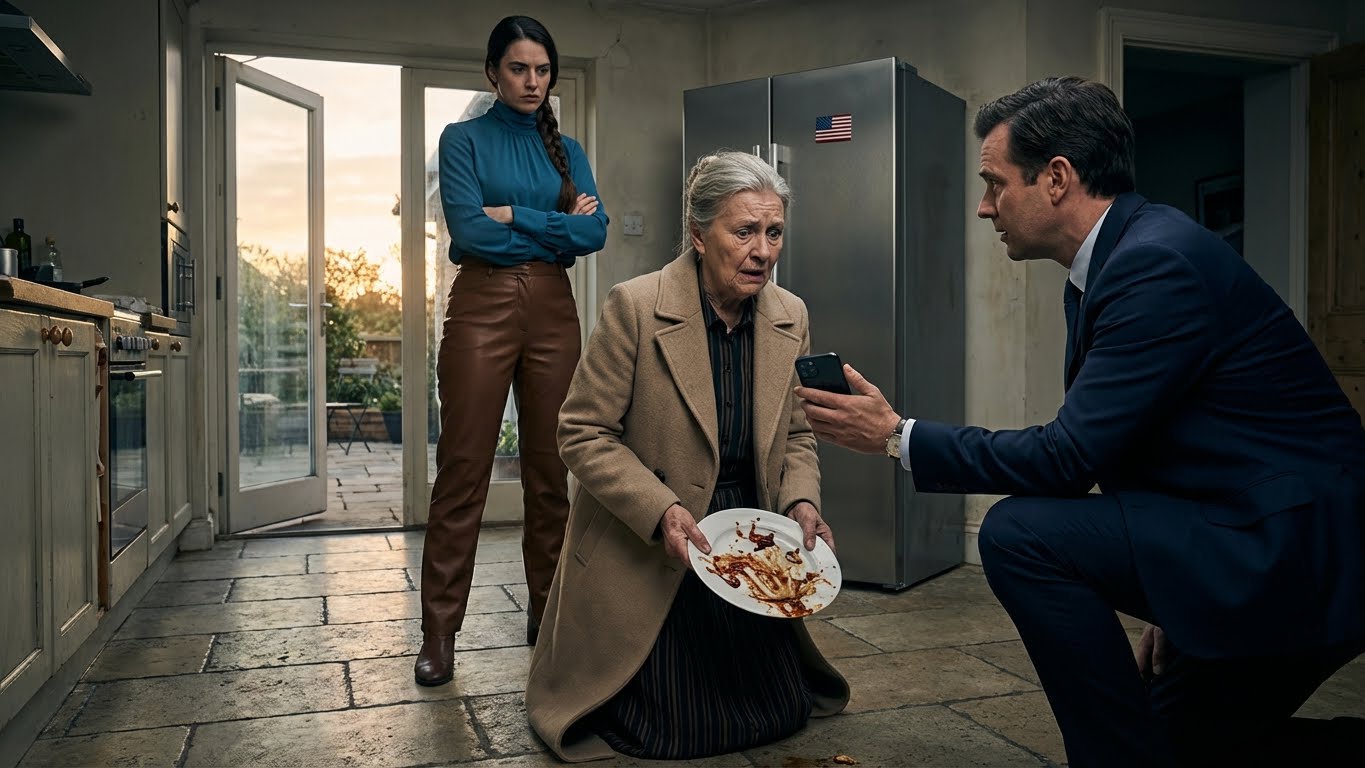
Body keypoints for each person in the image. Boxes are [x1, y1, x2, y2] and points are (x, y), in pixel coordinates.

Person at [797, 76, 1365, 765]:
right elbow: (1146, 443)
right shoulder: (1118, 260)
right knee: (1174, 742)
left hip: (1295, 549)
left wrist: (896, 436)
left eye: (995, 183)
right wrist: (1171, 594)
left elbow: (1067, 459)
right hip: (1248, 529)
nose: (983, 206)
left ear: (1057, 178)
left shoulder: (1154, 263)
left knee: (1020, 534)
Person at [525, 151, 849, 762]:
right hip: (657, 532)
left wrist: (801, 502)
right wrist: (662, 510)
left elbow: (798, 434)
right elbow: (582, 432)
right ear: (699, 235)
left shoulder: (791, 315)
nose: (763, 251)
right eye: (744, 231)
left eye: (774, 232)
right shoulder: (634, 306)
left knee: (781, 714)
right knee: (672, 732)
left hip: (746, 535)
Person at [416, 15, 609, 687]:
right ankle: (439, 633)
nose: (532, 82)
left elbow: (596, 235)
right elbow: (469, 231)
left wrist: (517, 216)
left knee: (551, 471)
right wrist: (556, 227)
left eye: (542, 70)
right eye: (519, 68)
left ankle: (547, 615)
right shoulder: (463, 139)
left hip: (554, 311)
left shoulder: (568, 149)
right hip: (481, 306)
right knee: (462, 470)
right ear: (492, 73)